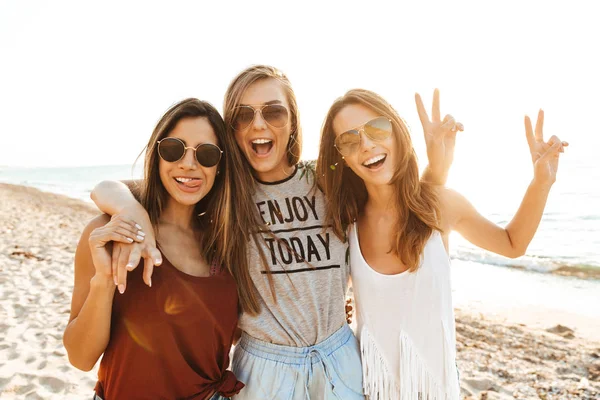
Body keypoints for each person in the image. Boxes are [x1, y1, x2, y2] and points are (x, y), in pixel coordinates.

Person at [89, 66, 456, 399]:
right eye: (244, 115)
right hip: (266, 368)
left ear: (293, 121)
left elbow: (395, 203)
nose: (259, 124)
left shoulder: (328, 180)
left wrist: (436, 170)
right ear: (231, 129)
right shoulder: (225, 193)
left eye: (274, 111)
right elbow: (108, 187)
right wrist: (132, 212)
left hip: (339, 359)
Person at [316, 89, 567, 399]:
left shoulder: (439, 204)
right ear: (341, 156)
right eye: (350, 140)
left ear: (397, 131)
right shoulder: (345, 223)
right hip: (369, 391)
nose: (366, 144)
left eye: (376, 128)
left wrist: (541, 181)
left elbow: (512, 243)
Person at [63, 98, 257, 400]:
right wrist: (103, 280)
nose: (189, 164)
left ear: (220, 166)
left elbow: (235, 335)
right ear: (157, 155)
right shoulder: (110, 233)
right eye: (173, 149)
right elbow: (80, 358)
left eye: (206, 154)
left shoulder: (226, 243)